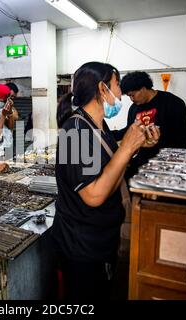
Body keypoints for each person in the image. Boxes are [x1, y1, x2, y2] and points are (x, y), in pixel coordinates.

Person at [50, 62, 160, 300]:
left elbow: (111, 171)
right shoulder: (74, 132)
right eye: (117, 85)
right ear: (102, 88)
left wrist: (135, 147)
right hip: (81, 245)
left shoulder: (99, 126)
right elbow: (93, 195)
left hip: (101, 238)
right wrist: (127, 147)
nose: (121, 93)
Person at [113, 71, 186, 179]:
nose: (131, 99)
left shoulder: (173, 103)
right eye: (129, 96)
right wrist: (106, 134)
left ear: (143, 88)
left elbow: (183, 138)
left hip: (167, 164)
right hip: (143, 162)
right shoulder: (134, 108)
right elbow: (129, 130)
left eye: (133, 95)